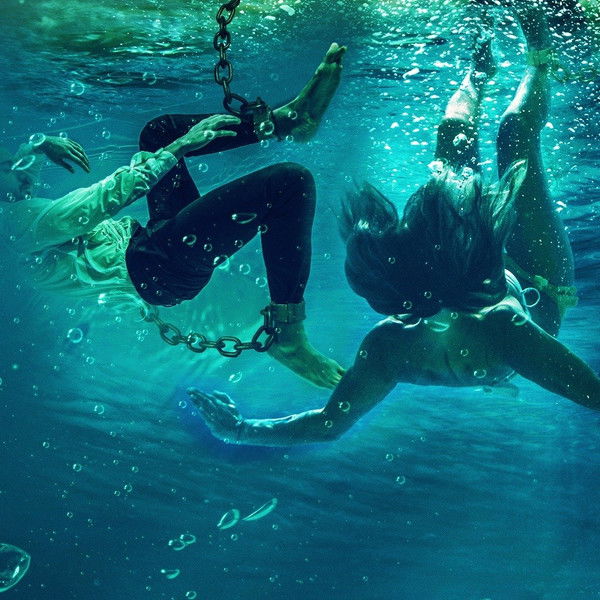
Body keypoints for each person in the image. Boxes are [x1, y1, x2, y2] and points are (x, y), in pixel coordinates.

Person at [189, 2, 600, 446]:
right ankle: (539, 55)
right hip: (538, 281)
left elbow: (329, 424)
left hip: (486, 275)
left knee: (454, 130)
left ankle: (479, 72)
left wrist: (240, 430)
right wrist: (240, 430)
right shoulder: (500, 331)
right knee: (514, 131)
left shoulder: (388, 345)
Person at [0, 44, 347, 389]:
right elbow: (98, 202)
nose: (18, 168)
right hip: (157, 265)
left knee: (158, 132)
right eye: (6, 167)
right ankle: (288, 333)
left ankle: (286, 121)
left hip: (152, 251)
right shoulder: (12, 224)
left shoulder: (13, 219)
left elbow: (21, 184)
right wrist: (182, 147)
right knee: (289, 182)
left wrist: (36, 146)